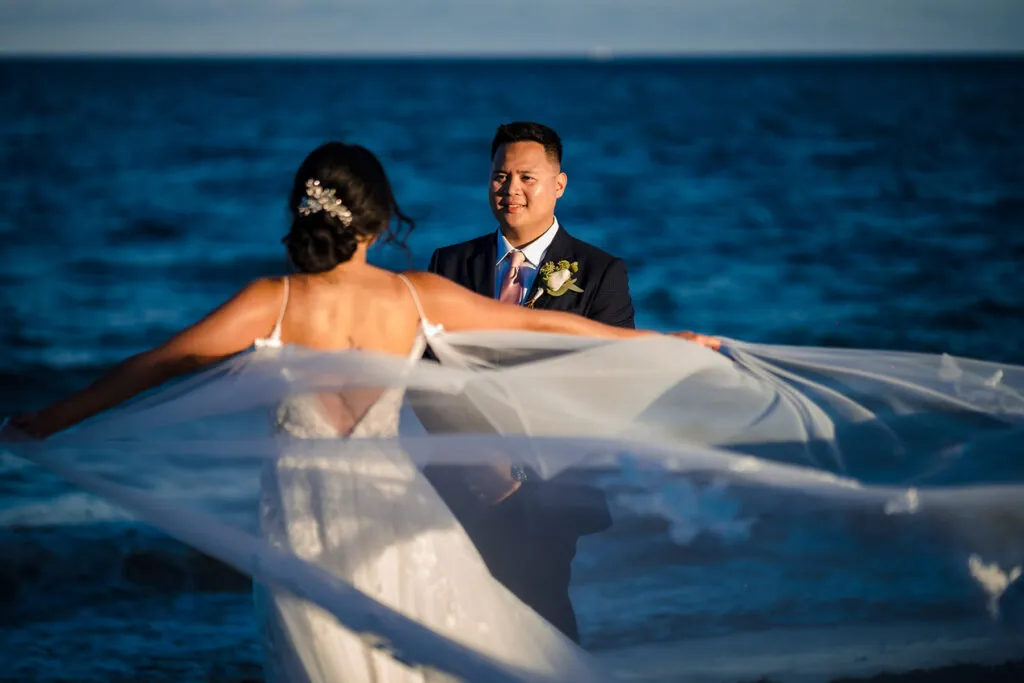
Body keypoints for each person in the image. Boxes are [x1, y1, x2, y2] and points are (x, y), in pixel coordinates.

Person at [3, 141, 718, 683]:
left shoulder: (270, 301)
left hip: (302, 537)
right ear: (377, 218)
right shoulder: (412, 296)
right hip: (404, 525)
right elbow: (553, 327)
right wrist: (659, 340)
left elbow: (151, 367)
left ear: (304, 212)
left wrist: (50, 419)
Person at [423, 121, 635, 643]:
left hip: (550, 485)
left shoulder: (600, 271)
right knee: (457, 619)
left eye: (526, 177)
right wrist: (477, 457)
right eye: (499, 176)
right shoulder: (449, 263)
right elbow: (423, 375)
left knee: (539, 619)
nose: (510, 189)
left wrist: (517, 464)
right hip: (460, 480)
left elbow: (609, 383)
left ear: (559, 184)